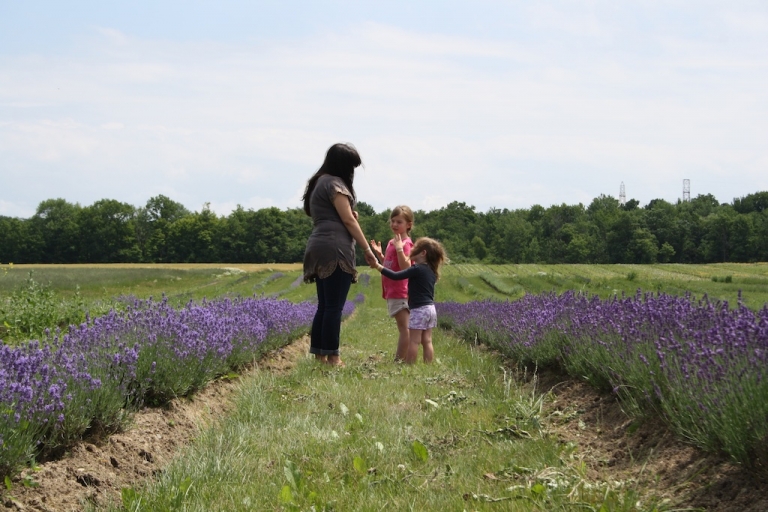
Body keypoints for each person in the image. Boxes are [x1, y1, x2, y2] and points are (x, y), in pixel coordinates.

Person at [302, 143, 378, 366]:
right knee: (334, 306)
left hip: (318, 244)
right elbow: (348, 220)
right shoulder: (335, 183)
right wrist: (367, 249)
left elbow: (336, 214)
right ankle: (333, 357)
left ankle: (320, 355)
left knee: (325, 305)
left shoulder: (318, 182)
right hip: (335, 248)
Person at [372, 237, 447, 364]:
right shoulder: (432, 272)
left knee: (414, 341)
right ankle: (428, 365)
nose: (411, 250)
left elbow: (396, 276)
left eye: (415, 249)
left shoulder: (417, 269)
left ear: (423, 253)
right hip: (431, 309)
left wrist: (378, 267)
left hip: (419, 310)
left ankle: (409, 366)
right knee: (427, 340)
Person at [370, 205, 414, 361]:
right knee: (403, 327)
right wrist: (380, 254)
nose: (394, 225)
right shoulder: (392, 242)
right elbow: (390, 265)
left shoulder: (406, 244)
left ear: (408, 225)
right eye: (393, 221)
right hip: (392, 290)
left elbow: (406, 268)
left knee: (404, 328)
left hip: (400, 290)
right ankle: (406, 359)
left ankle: (399, 361)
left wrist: (400, 249)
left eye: (399, 222)